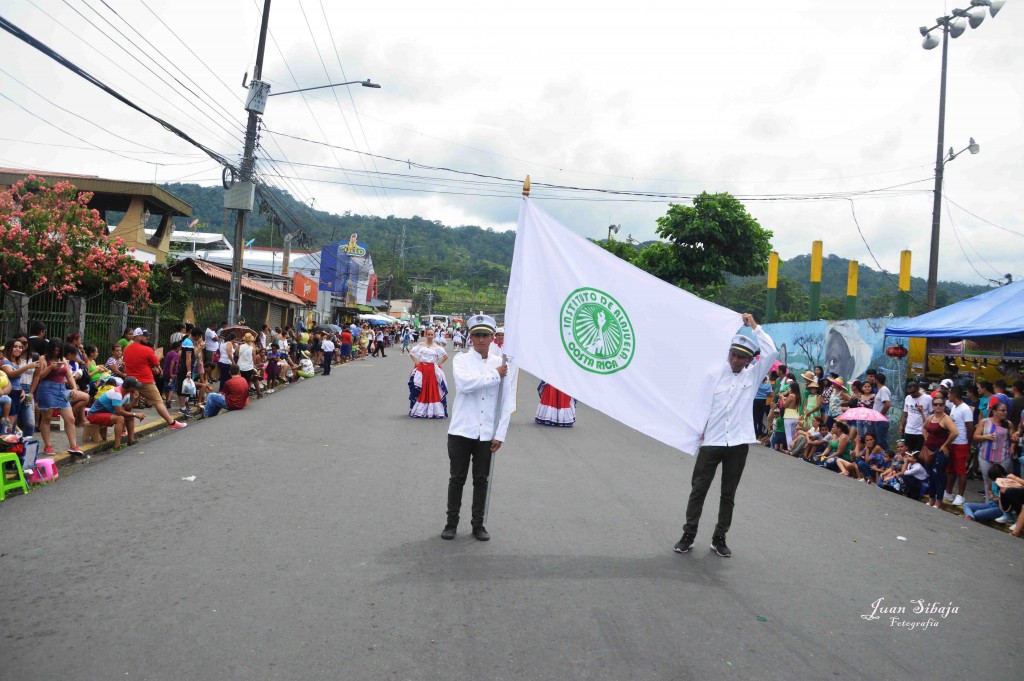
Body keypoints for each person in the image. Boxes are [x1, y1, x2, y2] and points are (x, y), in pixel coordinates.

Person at [675, 313, 777, 558]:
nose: (735, 359)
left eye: (741, 357)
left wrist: (754, 326)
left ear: (749, 360)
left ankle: (719, 537)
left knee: (728, 494)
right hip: (711, 441)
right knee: (698, 489)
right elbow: (699, 403)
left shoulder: (753, 377)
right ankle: (688, 534)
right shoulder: (714, 373)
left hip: (738, 444)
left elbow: (771, 351)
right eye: (732, 354)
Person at [441, 314, 516, 542]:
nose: (481, 339)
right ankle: (451, 522)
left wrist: (500, 434)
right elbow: (465, 385)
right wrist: (494, 375)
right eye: (476, 335)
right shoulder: (461, 360)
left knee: (481, 480)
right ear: (470, 337)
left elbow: (507, 402)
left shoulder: (502, 363)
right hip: (462, 430)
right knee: (457, 478)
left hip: (487, 432)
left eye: (485, 335)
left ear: (493, 337)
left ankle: (478, 524)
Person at [123, 328, 187, 430]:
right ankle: (171, 422)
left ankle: (123, 429)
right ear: (139, 337)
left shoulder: (126, 349)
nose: (147, 338)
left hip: (130, 380)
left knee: (129, 405)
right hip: (145, 380)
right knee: (158, 401)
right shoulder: (147, 350)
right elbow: (156, 363)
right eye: (145, 336)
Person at [30, 339, 85, 457]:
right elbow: (39, 377)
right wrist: (50, 368)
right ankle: (48, 445)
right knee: (47, 418)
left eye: (58, 350)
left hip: (61, 390)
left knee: (70, 418)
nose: (56, 352)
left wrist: (74, 388)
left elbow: (69, 376)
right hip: (47, 389)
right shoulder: (43, 359)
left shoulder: (63, 359)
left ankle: (73, 445)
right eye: (54, 350)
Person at [87, 376, 144, 449]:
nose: (136, 389)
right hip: (94, 415)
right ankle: (117, 445)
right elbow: (119, 412)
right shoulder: (117, 393)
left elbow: (127, 408)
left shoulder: (126, 393)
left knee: (130, 417)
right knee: (120, 418)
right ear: (129, 387)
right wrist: (136, 414)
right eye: (135, 387)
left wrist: (135, 399)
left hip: (107, 413)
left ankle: (131, 440)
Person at [975, 401, 1014, 502]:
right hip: (985, 456)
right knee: (987, 481)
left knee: (1001, 482)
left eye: (1006, 410)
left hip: (1002, 457)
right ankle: (988, 502)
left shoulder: (1008, 424)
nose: (1005, 412)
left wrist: (1013, 447)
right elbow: (975, 436)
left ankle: (1003, 505)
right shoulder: (985, 422)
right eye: (1002, 410)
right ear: (995, 412)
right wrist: (986, 436)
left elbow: (1013, 439)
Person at [409, 328, 449, 418]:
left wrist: (437, 364)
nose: (430, 336)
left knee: (433, 387)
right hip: (422, 369)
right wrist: (417, 363)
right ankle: (420, 409)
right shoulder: (421, 345)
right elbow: (412, 353)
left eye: (432, 335)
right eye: (429, 334)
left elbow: (446, 356)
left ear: (434, 336)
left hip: (432, 370)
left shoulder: (437, 347)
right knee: (421, 387)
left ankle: (433, 410)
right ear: (425, 335)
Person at [944, 386, 973, 507]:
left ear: (954, 394)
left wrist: (970, 446)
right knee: (951, 469)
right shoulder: (954, 408)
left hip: (962, 443)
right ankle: (948, 492)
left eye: (949, 394)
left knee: (961, 471)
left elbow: (970, 429)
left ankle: (960, 495)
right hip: (953, 442)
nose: (948, 396)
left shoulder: (965, 409)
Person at [899, 381, 932, 453]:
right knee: (908, 453)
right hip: (909, 430)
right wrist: (901, 425)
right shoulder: (908, 398)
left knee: (918, 453)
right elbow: (905, 414)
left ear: (918, 389)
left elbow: (932, 414)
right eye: (910, 392)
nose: (912, 394)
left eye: (913, 392)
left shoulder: (927, 398)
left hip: (920, 431)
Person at [871, 373, 892, 450]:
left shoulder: (883, 390)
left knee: (881, 441)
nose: (873, 381)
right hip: (877, 420)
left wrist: (880, 416)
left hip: (881, 421)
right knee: (876, 440)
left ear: (877, 380)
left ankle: (887, 458)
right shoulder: (880, 390)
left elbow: (887, 404)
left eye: (874, 379)